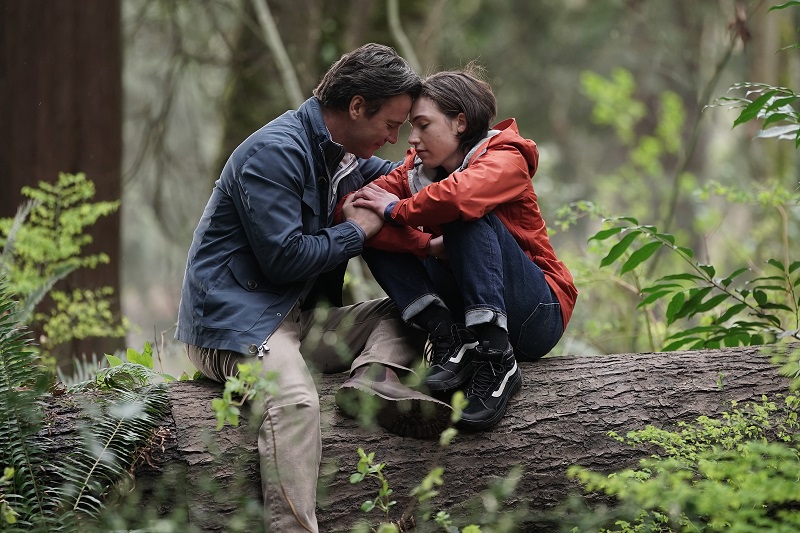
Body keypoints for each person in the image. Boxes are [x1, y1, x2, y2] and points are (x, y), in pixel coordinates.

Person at [175, 43, 450, 533]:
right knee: (297, 402)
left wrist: (473, 168)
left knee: (411, 310)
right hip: (236, 324)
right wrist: (359, 230)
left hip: (301, 322)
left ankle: (370, 382)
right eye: (390, 124)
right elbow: (285, 260)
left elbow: (405, 180)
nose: (393, 139)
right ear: (357, 106)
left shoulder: (340, 156)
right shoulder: (274, 151)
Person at [348, 65, 578, 431]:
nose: (412, 138)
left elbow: (462, 197)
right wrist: (427, 245)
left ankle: (499, 360)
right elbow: (356, 209)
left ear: (459, 122)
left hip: (536, 313)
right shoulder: (415, 171)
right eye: (410, 127)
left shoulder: (506, 156)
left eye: (423, 125)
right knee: (372, 229)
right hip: (465, 306)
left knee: (465, 214)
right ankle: (448, 338)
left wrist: (396, 209)